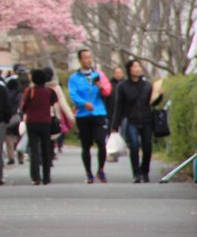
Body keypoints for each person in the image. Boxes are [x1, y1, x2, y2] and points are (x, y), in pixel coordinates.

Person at [110, 59, 162, 183]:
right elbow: (119, 106)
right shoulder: (123, 86)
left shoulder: (147, 85)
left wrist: (159, 95)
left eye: (139, 66)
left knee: (147, 147)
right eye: (135, 67)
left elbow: (153, 103)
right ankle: (136, 173)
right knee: (134, 146)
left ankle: (145, 171)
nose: (138, 69)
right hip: (131, 120)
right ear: (129, 69)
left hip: (146, 119)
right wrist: (114, 124)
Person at [68, 48, 110, 183]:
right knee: (86, 145)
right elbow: (73, 94)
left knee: (101, 142)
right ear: (80, 60)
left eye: (90, 57)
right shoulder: (74, 78)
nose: (88, 60)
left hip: (99, 112)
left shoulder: (98, 75)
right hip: (83, 114)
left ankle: (101, 170)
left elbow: (107, 92)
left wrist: (101, 87)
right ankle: (88, 173)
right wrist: (83, 103)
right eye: (85, 57)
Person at [22, 68, 56, 185]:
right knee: (46, 150)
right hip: (46, 122)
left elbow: (24, 107)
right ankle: (46, 177)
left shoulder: (29, 91)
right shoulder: (49, 92)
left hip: (32, 122)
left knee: (34, 149)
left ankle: (35, 177)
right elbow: (52, 104)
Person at [107, 65, 126, 162]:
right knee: (112, 132)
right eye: (116, 73)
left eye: (120, 72)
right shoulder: (109, 85)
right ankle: (112, 151)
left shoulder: (126, 84)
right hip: (111, 112)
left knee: (123, 131)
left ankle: (122, 148)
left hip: (124, 113)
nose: (118, 74)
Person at [4, 75, 23, 165]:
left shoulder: (5, 94)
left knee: (9, 139)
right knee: (20, 138)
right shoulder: (20, 95)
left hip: (8, 118)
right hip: (18, 117)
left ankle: (11, 157)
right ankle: (21, 157)